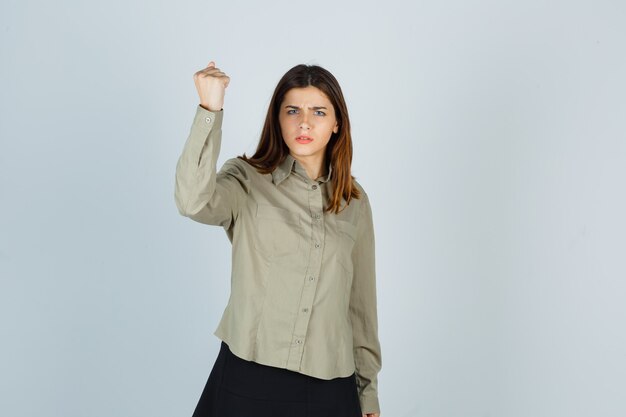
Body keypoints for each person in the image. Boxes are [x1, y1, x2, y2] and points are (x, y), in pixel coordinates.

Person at [174, 60, 382, 417]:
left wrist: (368, 393)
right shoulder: (246, 180)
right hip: (248, 381)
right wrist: (210, 108)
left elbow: (360, 308)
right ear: (278, 119)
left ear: (336, 123)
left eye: (318, 111)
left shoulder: (353, 201)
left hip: (331, 390)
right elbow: (192, 201)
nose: (304, 122)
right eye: (292, 110)